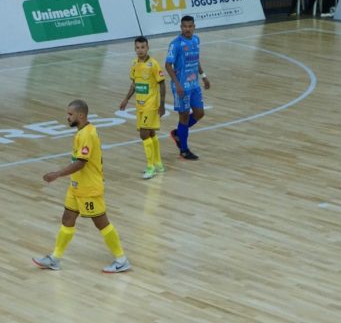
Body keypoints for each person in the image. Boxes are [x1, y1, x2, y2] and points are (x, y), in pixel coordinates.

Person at [33, 100, 131, 273]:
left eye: (70, 114)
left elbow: (80, 163)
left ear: (81, 115)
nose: (67, 117)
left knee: (101, 223)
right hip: (76, 186)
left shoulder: (87, 134)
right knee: (67, 219)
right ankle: (55, 258)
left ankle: (122, 260)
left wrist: (57, 174)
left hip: (89, 188)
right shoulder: (82, 132)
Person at [119, 36, 166, 179]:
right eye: (137, 47)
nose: (140, 50)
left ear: (148, 48)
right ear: (135, 49)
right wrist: (126, 99)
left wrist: (162, 104)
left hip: (150, 104)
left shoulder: (154, 64)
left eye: (143, 47)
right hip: (139, 104)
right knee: (151, 133)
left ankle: (150, 167)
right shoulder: (134, 63)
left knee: (143, 134)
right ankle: (158, 164)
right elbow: (134, 84)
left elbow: (162, 84)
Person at [165, 15, 210, 160]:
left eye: (190, 26)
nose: (187, 29)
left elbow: (196, 60)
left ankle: (178, 133)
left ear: (194, 27)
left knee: (199, 113)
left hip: (194, 84)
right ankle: (184, 150)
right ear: (181, 27)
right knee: (184, 116)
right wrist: (177, 84)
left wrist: (203, 75)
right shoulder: (176, 44)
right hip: (181, 87)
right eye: (184, 26)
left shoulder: (196, 40)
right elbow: (168, 65)